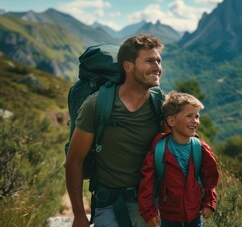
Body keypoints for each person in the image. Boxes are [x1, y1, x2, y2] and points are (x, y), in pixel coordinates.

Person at [65, 34, 165, 227]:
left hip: (152, 207)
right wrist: (79, 215)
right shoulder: (97, 105)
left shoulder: (160, 104)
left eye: (159, 61)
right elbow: (74, 160)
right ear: (128, 67)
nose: (157, 67)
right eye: (149, 61)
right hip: (110, 205)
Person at [138, 91, 219, 227]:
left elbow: (210, 179)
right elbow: (147, 184)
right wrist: (148, 212)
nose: (195, 121)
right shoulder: (159, 150)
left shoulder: (200, 148)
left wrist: (209, 202)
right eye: (189, 116)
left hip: (195, 216)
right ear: (172, 121)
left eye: (197, 116)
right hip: (167, 218)